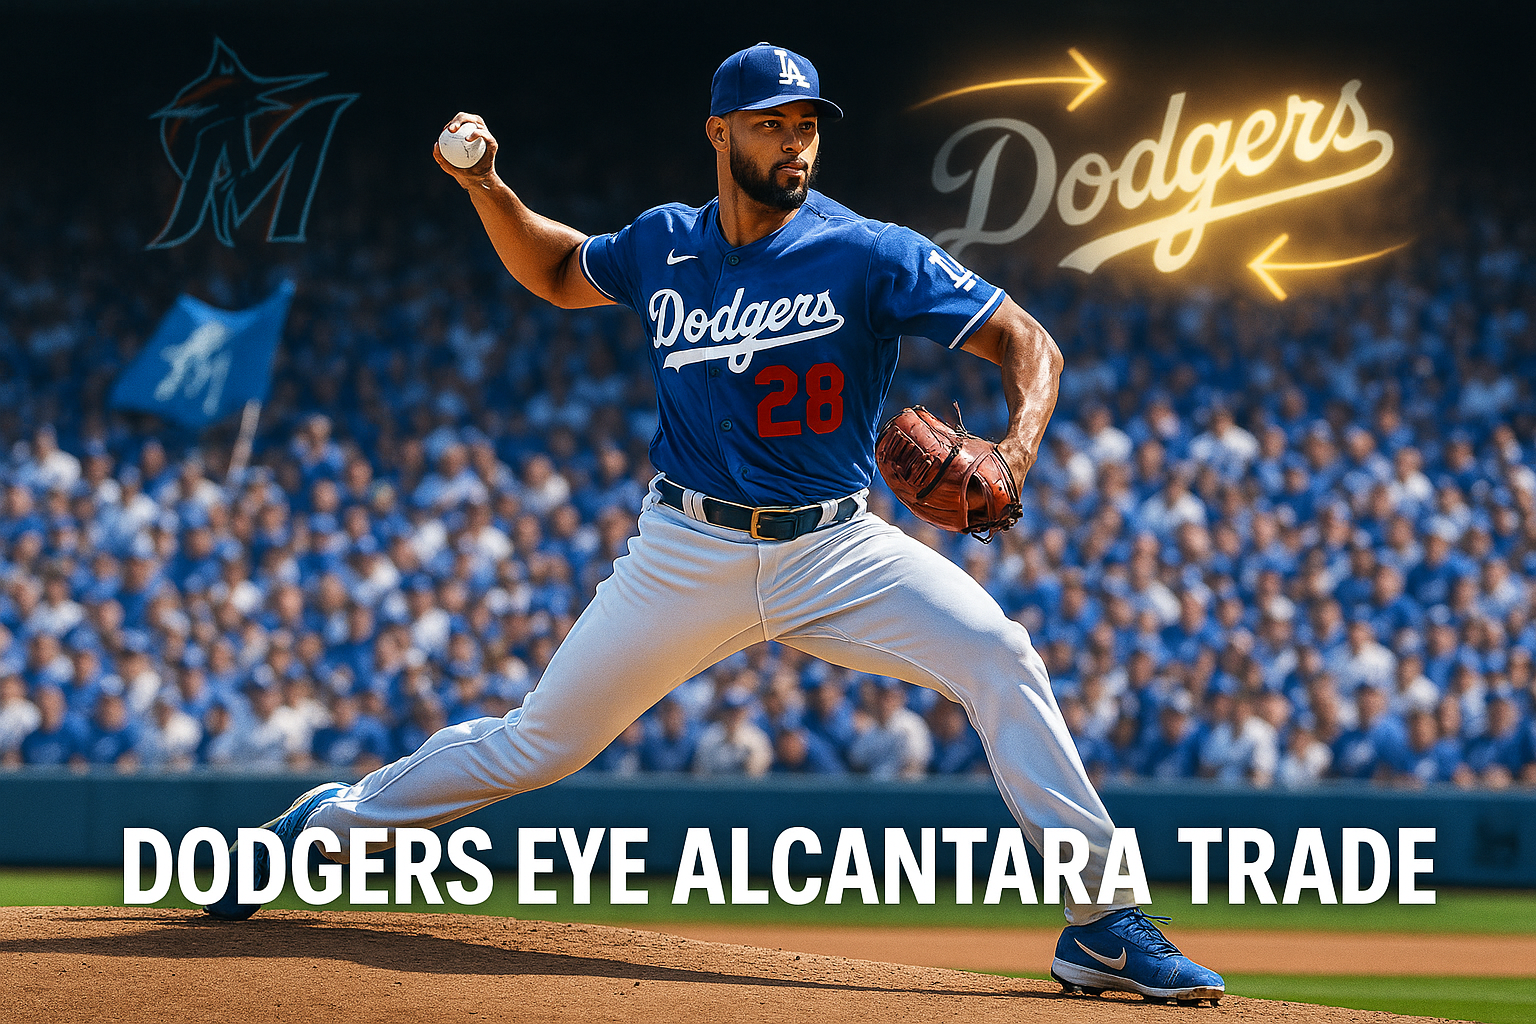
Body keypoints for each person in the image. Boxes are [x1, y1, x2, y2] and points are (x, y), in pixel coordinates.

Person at [204, 42, 1222, 1003]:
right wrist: (486, 189)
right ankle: (321, 829)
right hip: (685, 550)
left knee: (1001, 653)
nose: (796, 141)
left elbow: (1026, 340)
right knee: (538, 745)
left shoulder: (870, 253)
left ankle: (1100, 922)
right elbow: (559, 271)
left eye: (807, 123)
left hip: (836, 547)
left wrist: (1016, 448)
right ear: (719, 133)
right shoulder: (663, 242)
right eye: (772, 123)